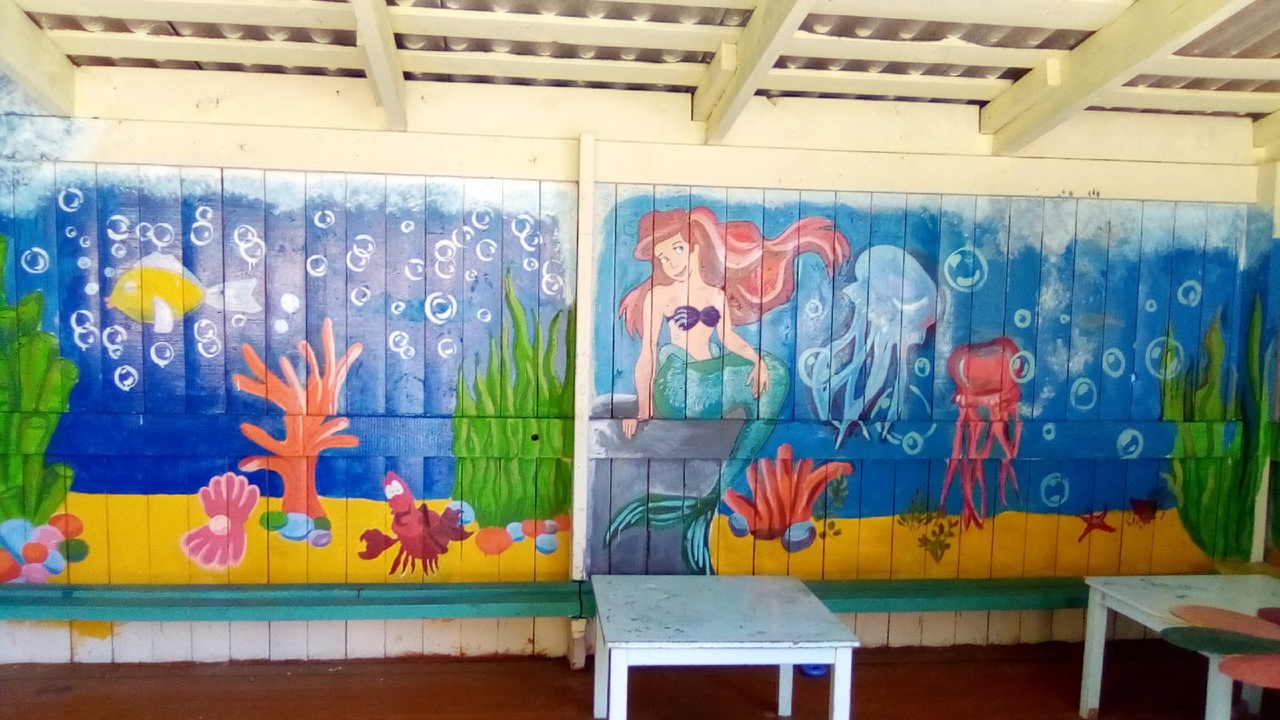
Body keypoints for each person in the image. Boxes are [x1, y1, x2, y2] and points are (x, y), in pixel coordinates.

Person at [605, 205, 850, 573]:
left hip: (711, 373)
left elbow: (729, 339)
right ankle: (713, 490)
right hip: (679, 381)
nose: (671, 262)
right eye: (662, 256)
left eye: (676, 249)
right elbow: (648, 354)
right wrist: (643, 408)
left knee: (775, 373)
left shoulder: (716, 296)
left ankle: (718, 488)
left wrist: (755, 360)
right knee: (768, 375)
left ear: (695, 247)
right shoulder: (660, 296)